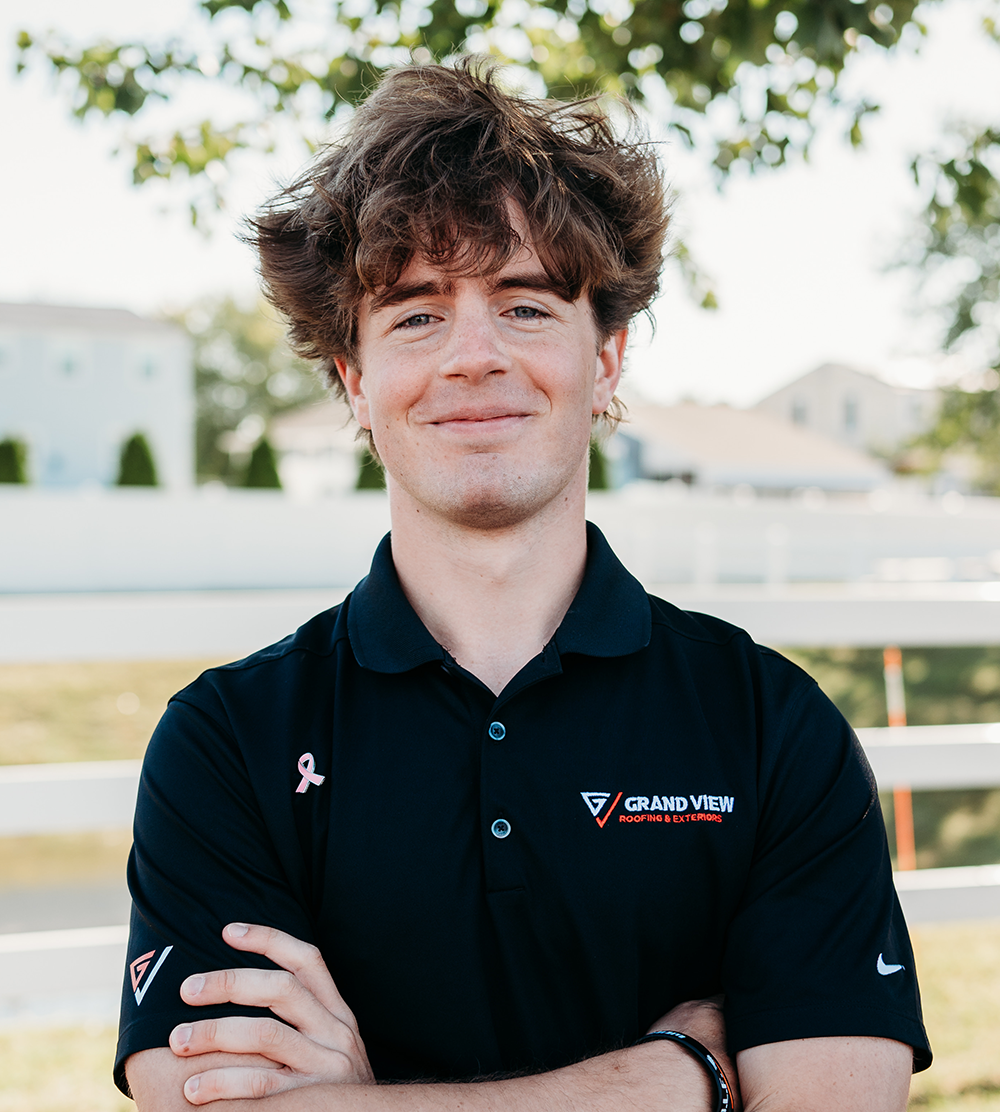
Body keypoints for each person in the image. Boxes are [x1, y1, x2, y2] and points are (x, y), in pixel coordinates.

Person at [116, 59, 931, 1111]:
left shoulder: (769, 723)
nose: (472, 356)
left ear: (608, 358)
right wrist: (673, 1077)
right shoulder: (227, 739)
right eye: (414, 314)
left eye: (525, 305)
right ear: (355, 383)